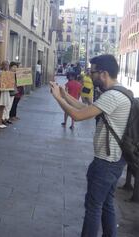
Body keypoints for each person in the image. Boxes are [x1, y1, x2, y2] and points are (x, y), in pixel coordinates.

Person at [50, 54, 131, 237]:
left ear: (103, 73)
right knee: (106, 203)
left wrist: (57, 98)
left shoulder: (113, 97)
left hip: (106, 161)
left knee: (93, 206)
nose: (89, 74)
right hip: (115, 160)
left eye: (92, 71)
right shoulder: (119, 92)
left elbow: (78, 117)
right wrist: (64, 95)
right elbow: (84, 109)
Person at [0, 60, 11, 127]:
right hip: (2, 91)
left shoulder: (8, 73)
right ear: (2, 65)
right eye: (5, 65)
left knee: (3, 107)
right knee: (0, 107)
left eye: (7, 65)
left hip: (6, 91)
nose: (7, 66)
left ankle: (0, 121)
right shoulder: (0, 72)